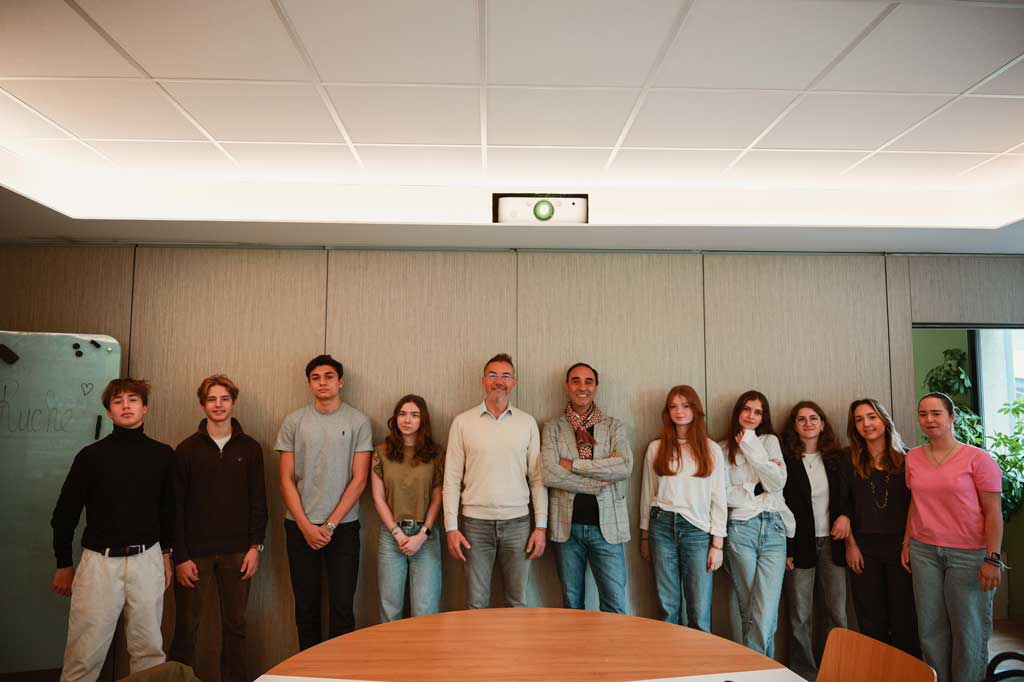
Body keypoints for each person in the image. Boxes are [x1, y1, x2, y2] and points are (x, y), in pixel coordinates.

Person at [50, 378, 175, 682]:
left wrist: (166, 554)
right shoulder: (90, 456)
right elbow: (64, 514)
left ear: (144, 408)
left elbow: (168, 511)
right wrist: (64, 563)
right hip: (99, 563)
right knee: (84, 653)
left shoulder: (163, 455)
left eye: (133, 400)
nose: (126, 406)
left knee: (149, 651)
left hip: (147, 559)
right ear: (108, 412)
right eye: (118, 402)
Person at [169, 375, 268, 682]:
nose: (218, 405)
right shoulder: (186, 450)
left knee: (236, 627)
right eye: (211, 399)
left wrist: (256, 547)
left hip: (238, 553)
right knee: (186, 628)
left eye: (224, 398)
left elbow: (259, 501)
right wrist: (180, 557)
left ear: (233, 402)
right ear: (203, 405)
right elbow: (175, 508)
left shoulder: (250, 448)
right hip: (193, 555)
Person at [902, 392, 1003, 682]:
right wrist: (907, 541)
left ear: (952, 417)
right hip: (924, 551)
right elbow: (915, 502)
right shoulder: (913, 457)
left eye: (936, 413)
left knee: (968, 630)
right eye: (923, 414)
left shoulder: (978, 459)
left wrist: (992, 559)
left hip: (969, 554)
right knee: (930, 628)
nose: (929, 419)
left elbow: (993, 513)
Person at [275, 354, 372, 649]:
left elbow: (360, 480)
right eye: (315, 378)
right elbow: (285, 480)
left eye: (329, 376)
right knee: (306, 607)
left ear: (340, 382)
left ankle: (340, 669)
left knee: (342, 606)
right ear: (309, 384)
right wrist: (306, 526)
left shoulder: (358, 421)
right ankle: (308, 669)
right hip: (299, 527)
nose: (322, 382)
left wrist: (330, 525)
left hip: (343, 528)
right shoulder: (294, 421)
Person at [443, 353, 547, 608]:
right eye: (493, 375)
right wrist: (451, 528)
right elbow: (451, 479)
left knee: (517, 601)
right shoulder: (462, 422)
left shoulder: (527, 423)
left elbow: (537, 479)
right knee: (476, 602)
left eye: (505, 376)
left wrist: (541, 527)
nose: (499, 381)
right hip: (474, 525)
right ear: (483, 380)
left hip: (518, 524)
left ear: (514, 382)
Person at [540, 362, 633, 614]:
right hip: (567, 529)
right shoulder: (552, 427)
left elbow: (624, 466)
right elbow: (549, 473)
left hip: (608, 528)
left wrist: (573, 465)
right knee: (572, 606)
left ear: (596, 387)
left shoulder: (614, 426)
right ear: (567, 386)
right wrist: (594, 481)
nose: (582, 387)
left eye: (588, 381)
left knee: (615, 604)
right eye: (576, 381)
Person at [640, 385, 726, 631]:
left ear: (695, 409)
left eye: (686, 406)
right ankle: (670, 655)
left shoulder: (711, 449)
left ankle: (699, 656)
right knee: (668, 608)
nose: (679, 411)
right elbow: (648, 493)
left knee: (699, 609)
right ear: (667, 412)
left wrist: (717, 545)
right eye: (674, 406)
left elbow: (719, 499)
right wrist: (645, 536)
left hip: (697, 530)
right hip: (661, 526)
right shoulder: (656, 448)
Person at [838, 398, 919, 657]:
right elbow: (843, 503)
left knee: (904, 616)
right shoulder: (847, 459)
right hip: (864, 548)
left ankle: (906, 670)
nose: (866, 424)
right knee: (871, 617)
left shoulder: (908, 458)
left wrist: (907, 544)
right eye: (859, 419)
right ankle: (876, 669)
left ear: (884, 420)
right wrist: (850, 545)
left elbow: (915, 506)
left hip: (900, 547)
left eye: (871, 417)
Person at [720, 389, 793, 656]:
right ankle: (764, 669)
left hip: (774, 528)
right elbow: (723, 494)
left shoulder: (770, 442)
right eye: (746, 409)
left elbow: (776, 483)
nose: (751, 416)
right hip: (741, 530)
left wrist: (751, 446)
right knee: (751, 608)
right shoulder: (722, 449)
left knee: (765, 609)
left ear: (764, 417)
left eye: (758, 412)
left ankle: (753, 669)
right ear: (738, 412)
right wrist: (755, 487)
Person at [780, 401, 848, 681]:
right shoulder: (787, 461)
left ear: (822, 424)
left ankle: (837, 670)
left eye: (813, 418)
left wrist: (845, 516)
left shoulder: (837, 459)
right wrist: (787, 548)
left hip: (833, 543)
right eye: (801, 419)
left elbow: (848, 496)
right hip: (800, 545)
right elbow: (780, 506)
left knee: (837, 613)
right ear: (794, 426)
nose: (808, 423)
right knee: (800, 615)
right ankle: (804, 673)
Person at [371, 395, 444, 622]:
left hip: (426, 536)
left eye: (414, 415)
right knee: (390, 609)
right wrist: (398, 534)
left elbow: (437, 497)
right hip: (391, 535)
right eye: (402, 414)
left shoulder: (435, 454)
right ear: (395, 418)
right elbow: (378, 498)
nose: (407, 420)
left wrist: (422, 535)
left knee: (425, 611)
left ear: (423, 420)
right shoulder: (381, 452)